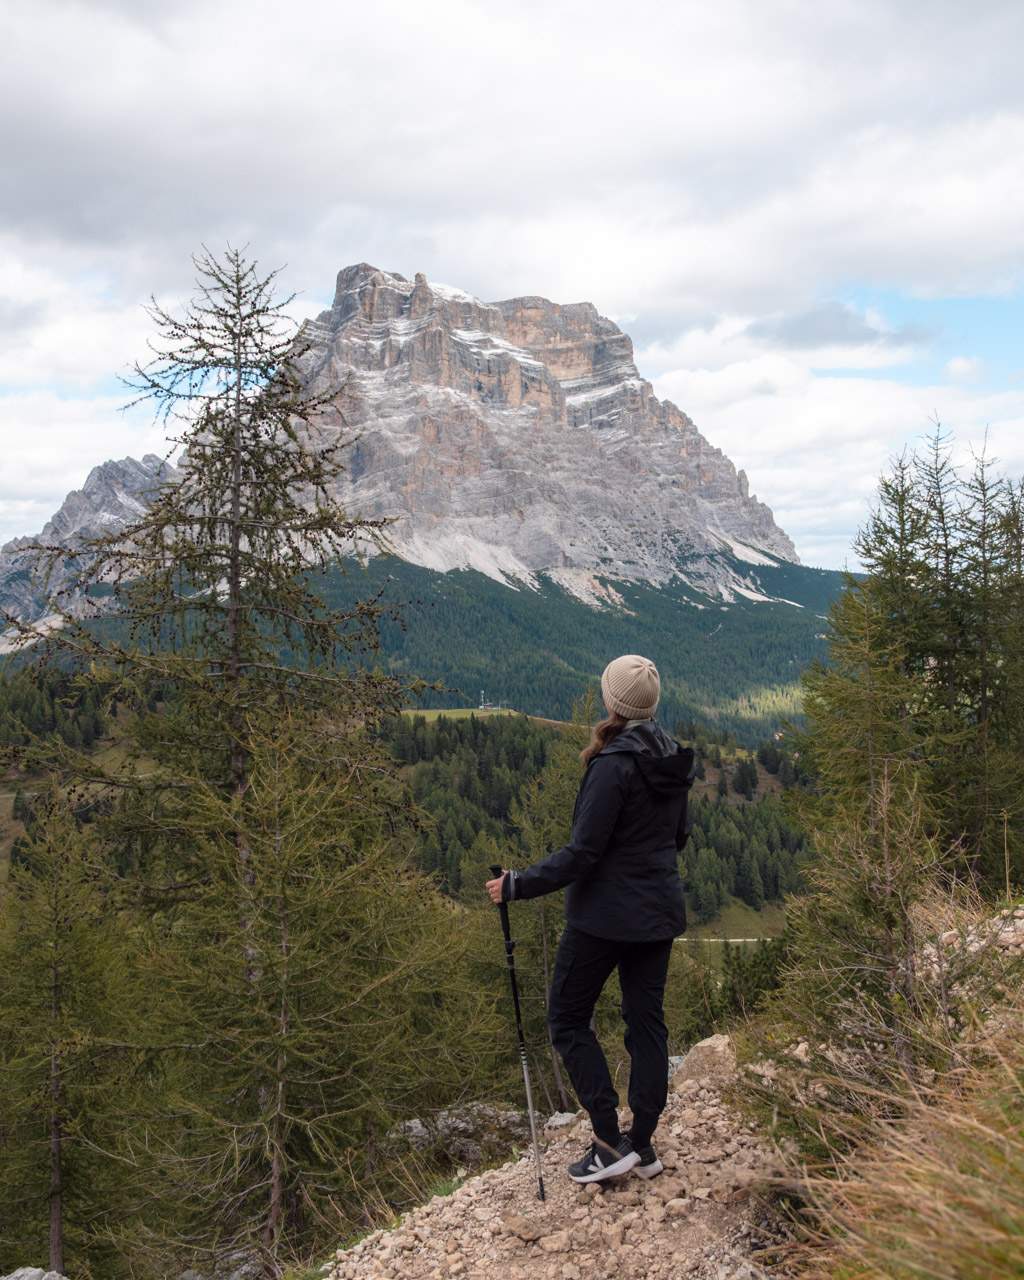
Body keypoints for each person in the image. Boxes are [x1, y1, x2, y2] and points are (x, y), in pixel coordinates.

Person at [486, 654, 695, 1184]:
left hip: (602, 918)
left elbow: (583, 854)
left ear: (613, 702)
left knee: (568, 1018)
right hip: (657, 914)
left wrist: (516, 884)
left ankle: (607, 1140)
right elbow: (678, 838)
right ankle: (642, 1146)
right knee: (646, 1024)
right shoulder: (670, 755)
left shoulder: (612, 765)